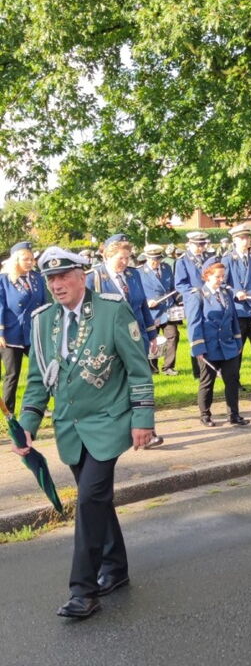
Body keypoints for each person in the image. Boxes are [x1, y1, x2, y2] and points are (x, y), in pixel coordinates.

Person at [11, 247, 155, 619]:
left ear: (82, 276)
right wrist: (27, 425)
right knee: (98, 500)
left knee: (89, 501)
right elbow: (38, 380)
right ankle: (116, 568)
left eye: (63, 276)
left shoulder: (111, 311)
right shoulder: (42, 320)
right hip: (70, 428)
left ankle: (83, 591)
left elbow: (138, 368)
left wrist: (143, 418)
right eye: (51, 279)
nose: (57, 285)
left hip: (109, 422)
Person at [88, 236, 162, 448]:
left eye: (127, 258)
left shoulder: (133, 274)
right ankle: (112, 432)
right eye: (120, 258)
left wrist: (152, 334)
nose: (125, 262)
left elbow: (142, 305)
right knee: (114, 386)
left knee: (141, 382)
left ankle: (147, 431)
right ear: (107, 256)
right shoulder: (94, 278)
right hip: (109, 340)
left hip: (136, 337)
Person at [184, 257, 248, 427]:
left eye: (222, 276)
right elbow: (194, 324)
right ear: (207, 276)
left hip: (228, 346)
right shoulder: (197, 296)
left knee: (232, 380)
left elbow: (233, 319)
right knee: (207, 382)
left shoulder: (226, 294)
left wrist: (238, 342)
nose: (221, 280)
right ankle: (205, 415)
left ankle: (234, 414)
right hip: (209, 347)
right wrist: (198, 348)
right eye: (217, 276)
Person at [0, 241, 47, 413]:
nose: (30, 262)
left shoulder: (37, 278)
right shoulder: (4, 280)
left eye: (31, 259)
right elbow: (0, 306)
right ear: (16, 260)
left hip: (32, 332)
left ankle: (39, 406)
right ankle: (9, 413)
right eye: (26, 259)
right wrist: (0, 332)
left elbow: (44, 304)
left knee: (43, 370)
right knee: (12, 375)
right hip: (11, 334)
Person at [222, 223, 251, 390]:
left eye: (247, 237)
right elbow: (222, 284)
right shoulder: (228, 259)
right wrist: (236, 292)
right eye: (242, 238)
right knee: (238, 349)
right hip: (238, 311)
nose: (246, 240)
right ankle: (235, 382)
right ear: (234, 240)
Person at [139, 244, 181, 375]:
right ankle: (152, 367)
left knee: (173, 336)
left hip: (167, 309)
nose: (155, 262)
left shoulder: (166, 268)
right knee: (152, 338)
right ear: (146, 258)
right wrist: (146, 302)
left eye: (158, 259)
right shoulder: (139, 272)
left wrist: (179, 301)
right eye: (153, 259)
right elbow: (137, 292)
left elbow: (173, 287)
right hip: (151, 312)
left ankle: (168, 367)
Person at [174, 231, 210, 378]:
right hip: (193, 300)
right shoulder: (183, 261)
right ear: (189, 244)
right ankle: (197, 371)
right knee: (195, 333)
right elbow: (179, 284)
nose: (200, 247)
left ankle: (209, 365)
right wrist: (192, 290)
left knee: (209, 331)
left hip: (209, 300)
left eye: (202, 244)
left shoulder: (209, 257)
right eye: (197, 245)